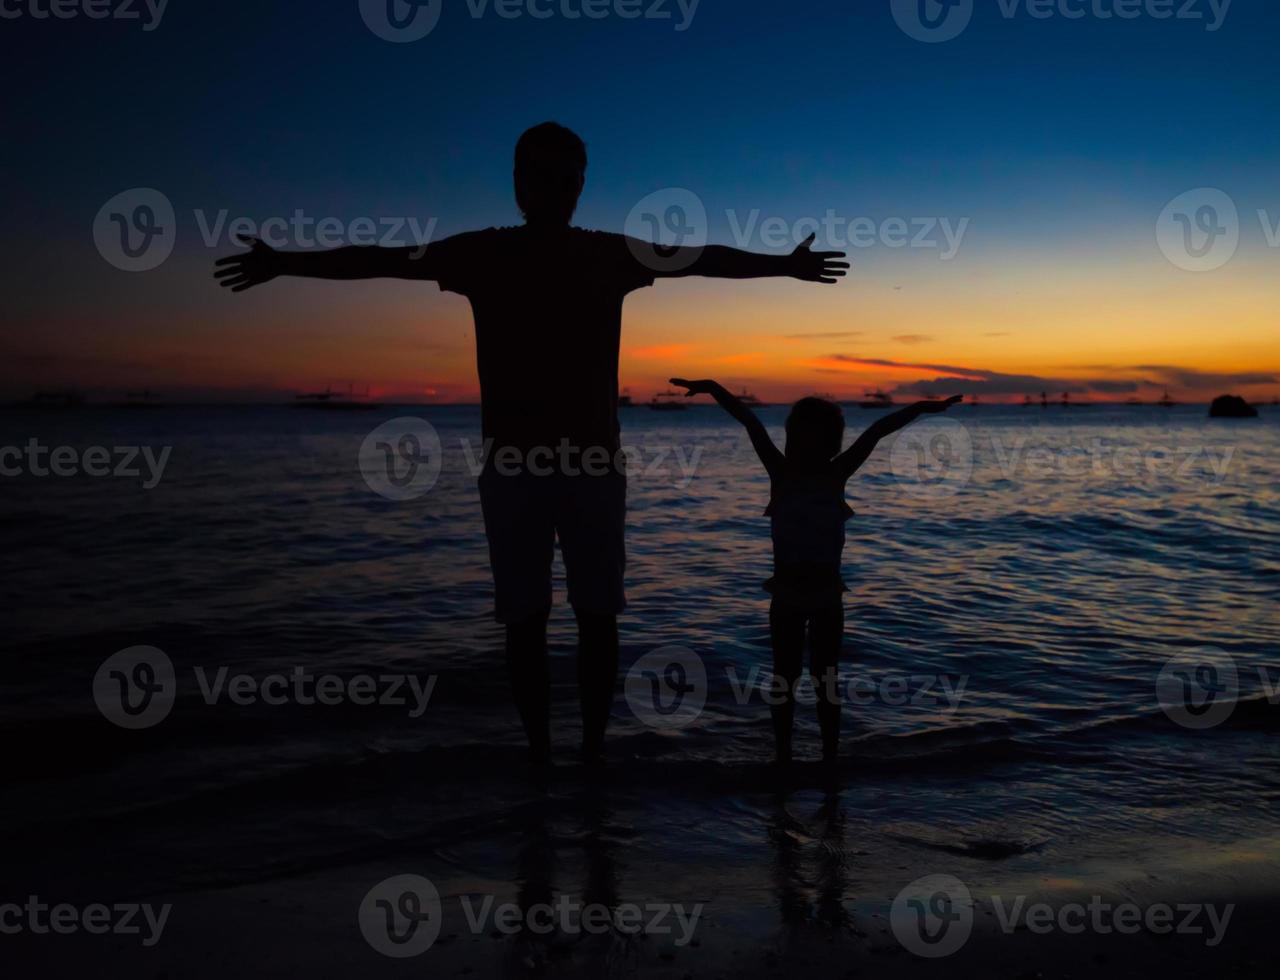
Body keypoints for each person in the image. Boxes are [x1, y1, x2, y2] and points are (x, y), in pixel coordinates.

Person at [214, 122, 849, 765]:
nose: (555, 188)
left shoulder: (608, 254)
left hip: (593, 465)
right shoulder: (483, 254)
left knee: (597, 617)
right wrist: (284, 261)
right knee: (525, 621)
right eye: (541, 175)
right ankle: (542, 758)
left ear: (579, 185)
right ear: (519, 183)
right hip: (513, 467)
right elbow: (380, 258)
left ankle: (593, 758)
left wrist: (784, 266)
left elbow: (699, 258)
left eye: (567, 177)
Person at [669, 378, 960, 763]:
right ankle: (783, 754)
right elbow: (748, 420)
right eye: (799, 437)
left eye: (815, 438)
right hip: (786, 595)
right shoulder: (780, 472)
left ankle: (829, 755)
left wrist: (923, 408)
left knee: (826, 679)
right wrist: (711, 388)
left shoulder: (836, 474)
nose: (804, 445)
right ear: (791, 439)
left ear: (830, 443)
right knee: (784, 677)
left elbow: (879, 430)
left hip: (826, 596)